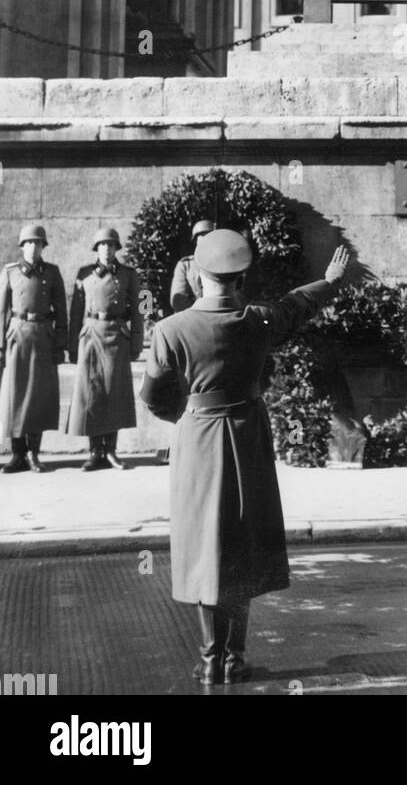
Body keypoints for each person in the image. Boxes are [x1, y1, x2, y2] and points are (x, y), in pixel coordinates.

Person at [140, 230, 351, 686]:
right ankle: (235, 657)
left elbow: (155, 398)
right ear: (241, 276)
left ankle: (210, 657)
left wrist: (190, 414)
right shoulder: (258, 320)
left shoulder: (170, 330)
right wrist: (330, 281)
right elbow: (296, 306)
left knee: (204, 544)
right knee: (241, 542)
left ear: (198, 273)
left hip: (197, 439)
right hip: (248, 437)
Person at [67, 227, 143, 471]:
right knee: (92, 394)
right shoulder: (84, 275)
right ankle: (94, 451)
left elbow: (144, 306)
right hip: (90, 335)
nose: (107, 249)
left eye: (111, 245)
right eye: (102, 245)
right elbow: (75, 312)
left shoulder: (130, 274)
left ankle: (111, 450)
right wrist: (71, 346)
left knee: (115, 393)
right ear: (96, 248)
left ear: (116, 248)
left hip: (117, 336)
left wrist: (137, 341)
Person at [0, 224, 68, 473]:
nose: (33, 247)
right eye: (29, 243)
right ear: (22, 246)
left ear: (43, 247)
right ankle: (17, 454)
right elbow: (1, 311)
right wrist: (0, 346)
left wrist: (61, 344)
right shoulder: (10, 272)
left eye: (38, 243)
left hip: (42, 337)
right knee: (15, 396)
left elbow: (61, 310)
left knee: (38, 397)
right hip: (17, 337)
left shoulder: (51, 273)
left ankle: (34, 454)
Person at [170, 219, 215, 312]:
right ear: (196, 241)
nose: (205, 241)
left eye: (209, 237)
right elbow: (178, 301)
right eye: (201, 237)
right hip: (192, 318)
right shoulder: (186, 265)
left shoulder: (223, 262)